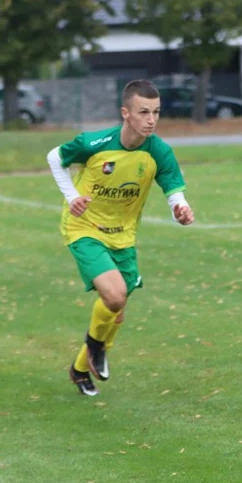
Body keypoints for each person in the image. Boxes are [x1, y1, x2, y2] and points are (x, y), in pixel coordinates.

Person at [47, 79, 195, 397]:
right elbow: (54, 157)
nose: (151, 119)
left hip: (123, 236)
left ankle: (80, 368)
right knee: (114, 297)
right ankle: (96, 348)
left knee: (118, 308)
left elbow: (174, 190)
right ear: (125, 113)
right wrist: (72, 196)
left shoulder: (158, 151)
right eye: (144, 112)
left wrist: (181, 208)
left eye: (156, 112)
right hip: (84, 228)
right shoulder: (96, 143)